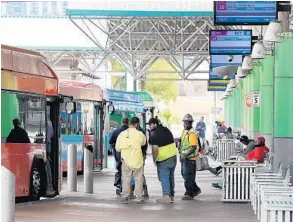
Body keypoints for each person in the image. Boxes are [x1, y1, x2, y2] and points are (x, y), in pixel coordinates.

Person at [116, 117, 147, 204]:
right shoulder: (140, 134)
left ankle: (125, 197)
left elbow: (117, 148)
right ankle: (139, 198)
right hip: (137, 160)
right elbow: (144, 143)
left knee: (126, 179)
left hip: (126, 160)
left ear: (129, 124)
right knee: (138, 179)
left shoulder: (122, 134)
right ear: (137, 124)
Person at [148, 118, 177, 203]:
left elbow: (154, 149)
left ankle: (166, 195)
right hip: (173, 157)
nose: (149, 127)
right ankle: (171, 195)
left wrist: (154, 160)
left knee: (164, 177)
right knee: (171, 177)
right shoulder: (166, 130)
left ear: (155, 124)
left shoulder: (155, 134)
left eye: (151, 125)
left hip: (164, 159)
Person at [179, 114, 201, 200]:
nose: (185, 124)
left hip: (190, 158)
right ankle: (195, 189)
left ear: (191, 123)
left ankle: (189, 193)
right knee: (185, 175)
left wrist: (185, 155)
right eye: (184, 122)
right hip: (185, 157)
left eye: (187, 123)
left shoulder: (192, 133)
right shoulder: (185, 131)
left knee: (188, 176)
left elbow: (193, 147)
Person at [109, 118, 129, 195]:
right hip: (129, 155)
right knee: (128, 172)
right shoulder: (130, 132)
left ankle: (118, 185)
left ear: (122, 122)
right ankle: (126, 188)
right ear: (128, 123)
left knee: (120, 170)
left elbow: (110, 142)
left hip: (119, 154)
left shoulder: (116, 131)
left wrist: (115, 148)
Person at [129, 122, 149, 199]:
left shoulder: (136, 134)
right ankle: (145, 191)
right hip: (141, 156)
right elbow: (145, 145)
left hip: (135, 156)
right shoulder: (142, 133)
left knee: (133, 173)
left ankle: (131, 192)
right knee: (140, 174)